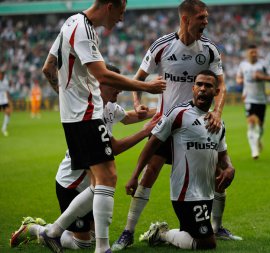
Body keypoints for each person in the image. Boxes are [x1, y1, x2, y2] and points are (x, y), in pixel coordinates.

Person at [112, 1, 241, 250]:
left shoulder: (210, 49)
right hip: (168, 124)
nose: (206, 22)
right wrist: (138, 102)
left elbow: (221, 85)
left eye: (207, 17)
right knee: (149, 173)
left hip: (200, 123)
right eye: (201, 17)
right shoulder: (162, 46)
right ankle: (127, 232)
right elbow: (138, 80)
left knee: (216, 173)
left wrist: (217, 111)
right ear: (186, 19)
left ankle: (217, 226)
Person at [40, 0, 166, 252]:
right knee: (108, 177)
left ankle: (53, 232)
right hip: (86, 115)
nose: (121, 18)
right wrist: (146, 86)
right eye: (121, 11)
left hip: (76, 115)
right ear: (111, 5)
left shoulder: (70, 23)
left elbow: (48, 67)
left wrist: (67, 99)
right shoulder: (84, 29)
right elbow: (103, 75)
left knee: (101, 182)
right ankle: (102, 247)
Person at [10, 64, 160, 251]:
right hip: (71, 185)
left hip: (92, 185)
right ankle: (36, 229)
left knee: (93, 234)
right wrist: (145, 131)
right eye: (115, 84)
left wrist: (161, 111)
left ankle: (54, 230)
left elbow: (128, 117)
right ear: (100, 84)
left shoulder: (110, 107)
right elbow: (113, 148)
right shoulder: (89, 113)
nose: (120, 89)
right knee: (82, 242)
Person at [134, 70, 235, 250]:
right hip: (185, 193)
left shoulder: (218, 123)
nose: (203, 89)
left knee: (194, 234)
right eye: (199, 85)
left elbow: (222, 153)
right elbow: (152, 144)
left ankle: (170, 234)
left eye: (208, 86)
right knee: (207, 243)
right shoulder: (179, 114)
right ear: (193, 88)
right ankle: (161, 233)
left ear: (216, 92)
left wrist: (229, 167)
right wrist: (135, 175)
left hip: (206, 193)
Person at [236, 44, 270, 159]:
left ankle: (258, 140)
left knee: (261, 126)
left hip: (261, 99)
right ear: (247, 54)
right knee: (251, 123)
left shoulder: (263, 64)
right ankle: (254, 151)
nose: (253, 54)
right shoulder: (243, 65)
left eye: (255, 52)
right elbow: (238, 77)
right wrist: (240, 81)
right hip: (249, 98)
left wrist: (262, 77)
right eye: (251, 52)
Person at [0, 70, 12, 136]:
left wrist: (9, 101)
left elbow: (7, 92)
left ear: (3, 75)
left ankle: (4, 128)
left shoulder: (5, 82)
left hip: (4, 100)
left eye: (1, 74)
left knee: (8, 112)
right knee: (7, 113)